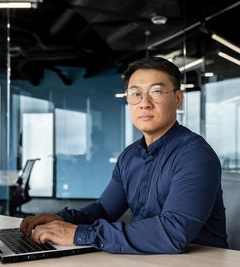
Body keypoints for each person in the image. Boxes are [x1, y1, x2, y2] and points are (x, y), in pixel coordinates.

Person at [20, 57, 228, 254]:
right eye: (135, 94)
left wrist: (80, 234)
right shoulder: (130, 156)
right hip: (149, 257)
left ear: (177, 98)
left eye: (156, 92)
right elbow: (103, 209)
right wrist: (60, 218)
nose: (144, 103)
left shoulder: (195, 155)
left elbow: (173, 233)